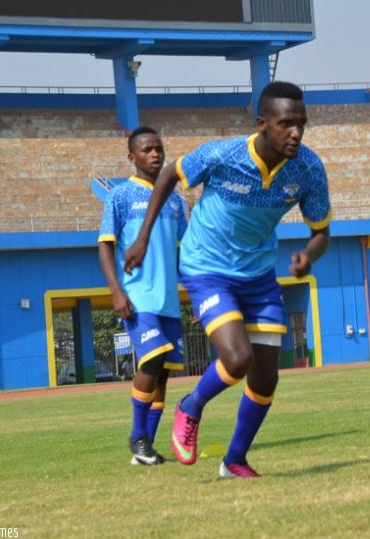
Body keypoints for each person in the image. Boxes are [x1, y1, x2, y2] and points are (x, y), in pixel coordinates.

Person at [124, 81, 332, 479]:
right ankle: (190, 406)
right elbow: (169, 176)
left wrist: (309, 254)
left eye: (301, 124)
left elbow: (322, 230)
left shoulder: (308, 168)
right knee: (237, 359)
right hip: (207, 267)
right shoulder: (224, 154)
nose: (296, 132)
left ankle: (234, 460)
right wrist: (143, 237)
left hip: (258, 275)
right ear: (262, 124)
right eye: (286, 123)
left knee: (266, 378)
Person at [98, 126, 188, 466]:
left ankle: (145, 449)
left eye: (159, 148)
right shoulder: (120, 196)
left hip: (167, 297)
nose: (156, 154)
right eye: (148, 149)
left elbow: (184, 252)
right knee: (151, 359)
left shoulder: (176, 201)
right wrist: (116, 291)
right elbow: (105, 246)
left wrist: (193, 295)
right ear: (132, 157)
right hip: (137, 295)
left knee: (163, 371)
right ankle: (137, 437)